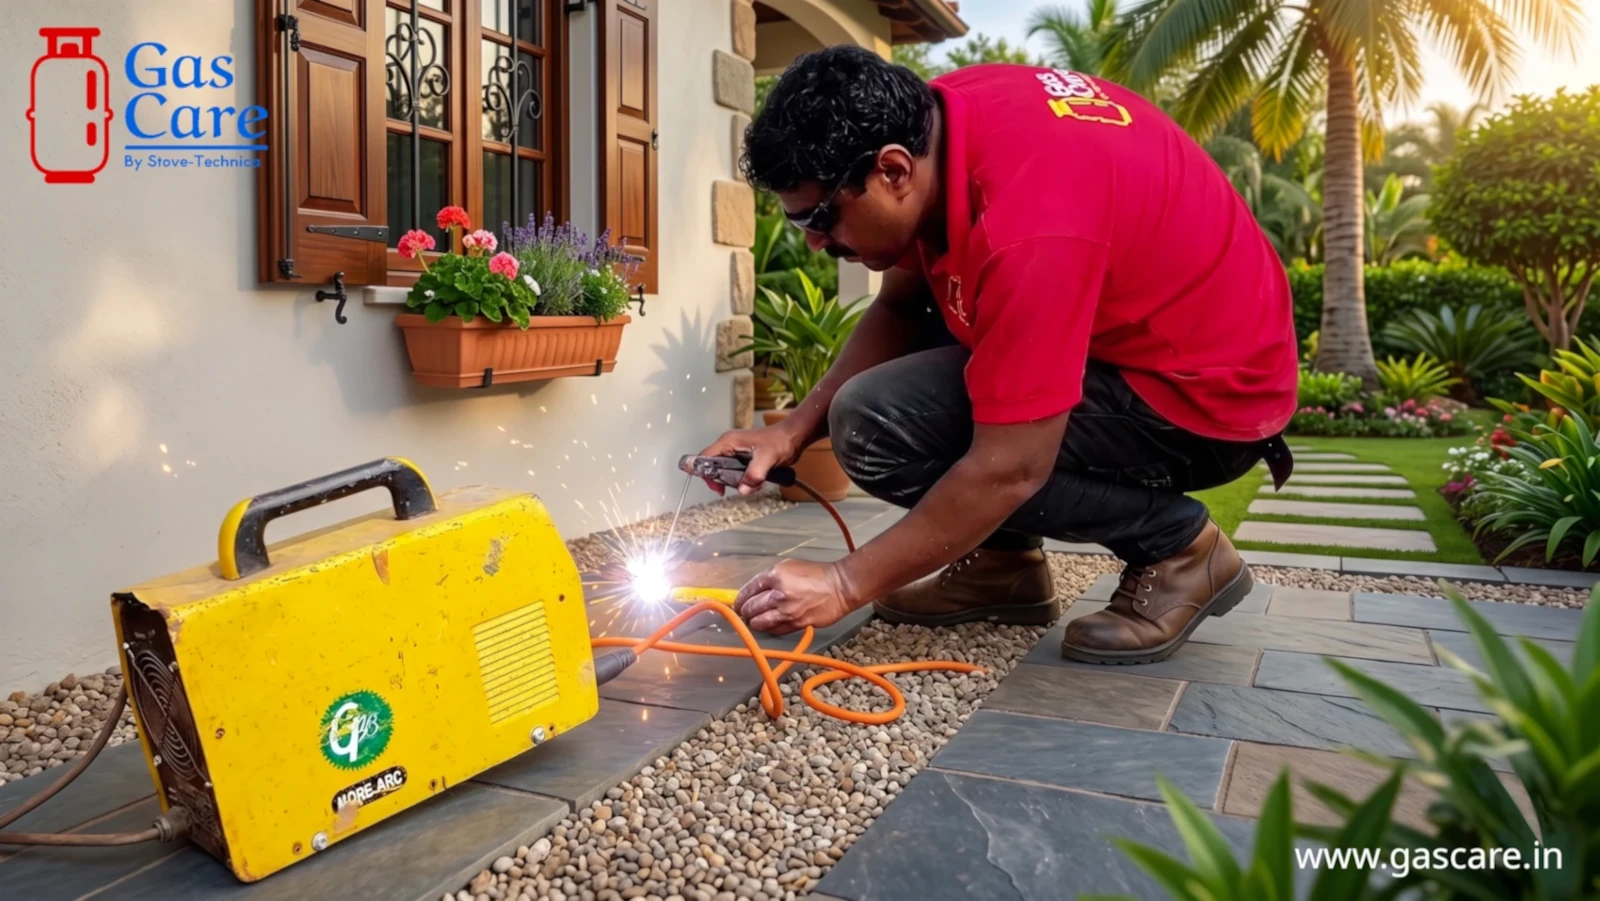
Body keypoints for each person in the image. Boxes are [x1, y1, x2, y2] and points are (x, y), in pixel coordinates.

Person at [696, 45, 1299, 665]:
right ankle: (1003, 566)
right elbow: (904, 306)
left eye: (820, 218)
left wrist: (843, 583)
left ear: (894, 171)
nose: (817, 243)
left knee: (877, 429)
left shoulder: (1030, 223)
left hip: (1203, 398)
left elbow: (1012, 468)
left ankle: (1180, 549)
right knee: (875, 411)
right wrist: (790, 432)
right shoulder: (935, 123)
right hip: (1144, 341)